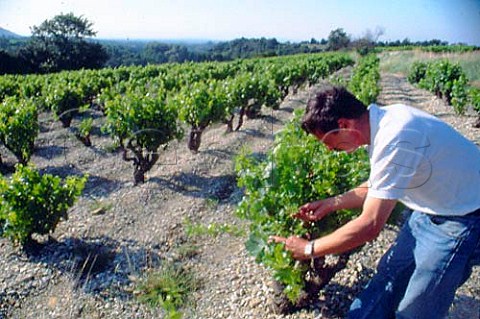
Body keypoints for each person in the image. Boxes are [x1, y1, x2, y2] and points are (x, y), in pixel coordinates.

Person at [270, 86, 480, 319]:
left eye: (328, 141)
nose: (329, 149)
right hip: (428, 209)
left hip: (463, 216)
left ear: (345, 125)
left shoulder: (396, 136)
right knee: (389, 276)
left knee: (417, 308)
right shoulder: (383, 124)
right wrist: (331, 203)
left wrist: (308, 249)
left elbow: (370, 225)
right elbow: (378, 185)